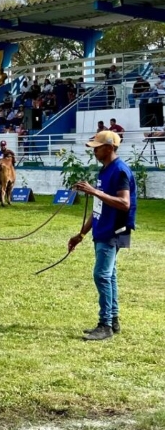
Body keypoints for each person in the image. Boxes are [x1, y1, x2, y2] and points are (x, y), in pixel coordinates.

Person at [67, 130, 137, 341]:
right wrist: (81, 234)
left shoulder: (120, 171)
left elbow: (125, 203)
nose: (94, 150)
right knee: (110, 275)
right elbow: (98, 208)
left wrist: (94, 191)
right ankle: (113, 320)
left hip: (114, 230)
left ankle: (105, 325)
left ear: (110, 147)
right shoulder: (104, 171)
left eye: (97, 147)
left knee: (102, 275)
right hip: (103, 228)